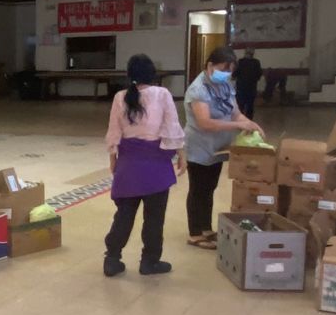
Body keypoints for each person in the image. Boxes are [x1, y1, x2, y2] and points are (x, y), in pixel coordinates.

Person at [102, 55, 185, 277]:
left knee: (124, 214)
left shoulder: (120, 97)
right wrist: (181, 154)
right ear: (152, 73)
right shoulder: (162, 94)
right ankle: (149, 262)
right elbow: (172, 127)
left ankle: (112, 259)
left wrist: (113, 160)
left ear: (130, 75)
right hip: (156, 163)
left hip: (129, 164)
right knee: (154, 217)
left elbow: (114, 132)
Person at [182, 45, 261, 249]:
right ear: (210, 65)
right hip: (200, 146)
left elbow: (234, 112)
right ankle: (195, 233)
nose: (226, 74)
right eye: (223, 69)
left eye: (229, 71)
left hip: (218, 146)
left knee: (210, 188)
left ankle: (206, 228)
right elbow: (205, 123)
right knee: (198, 189)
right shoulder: (198, 89)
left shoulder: (225, 85)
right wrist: (238, 125)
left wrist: (249, 123)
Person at [233, 51, 263, 120]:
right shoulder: (256, 62)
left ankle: (239, 119)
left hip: (241, 87)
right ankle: (249, 120)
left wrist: (234, 76)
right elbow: (259, 74)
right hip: (251, 87)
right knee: (250, 105)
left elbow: (235, 73)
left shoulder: (241, 62)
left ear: (245, 54)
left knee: (240, 105)